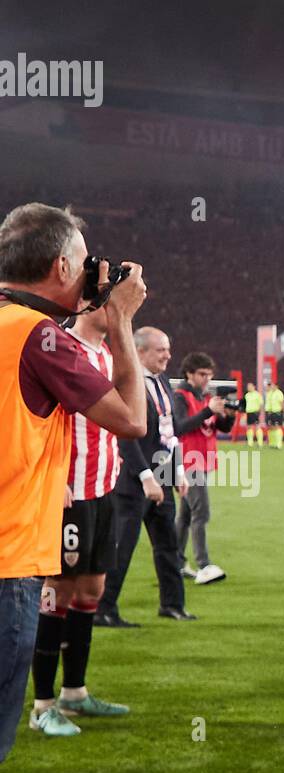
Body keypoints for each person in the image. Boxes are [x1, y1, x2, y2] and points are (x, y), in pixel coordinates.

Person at [0, 202, 146, 762]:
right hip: (11, 556)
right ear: (62, 267)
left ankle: (72, 692)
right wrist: (123, 323)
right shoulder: (39, 337)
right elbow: (131, 419)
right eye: (85, 262)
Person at [29, 303, 131, 735]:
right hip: (71, 489)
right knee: (58, 590)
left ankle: (75, 692)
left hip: (104, 488)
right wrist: (55, 478)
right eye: (117, 305)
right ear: (94, 306)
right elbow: (43, 417)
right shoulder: (61, 346)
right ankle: (42, 705)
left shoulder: (108, 354)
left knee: (92, 588)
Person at [99, 326, 192, 626]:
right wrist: (146, 477)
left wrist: (177, 470)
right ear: (140, 351)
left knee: (169, 546)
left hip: (162, 475)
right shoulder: (127, 382)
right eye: (160, 349)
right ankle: (104, 608)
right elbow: (125, 436)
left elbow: (169, 430)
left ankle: (173, 605)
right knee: (122, 547)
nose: (168, 354)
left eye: (167, 348)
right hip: (133, 482)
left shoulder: (162, 380)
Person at [173, 351, 231, 584]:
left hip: (203, 462)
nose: (207, 379)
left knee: (186, 516)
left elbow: (221, 428)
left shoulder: (207, 397)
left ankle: (175, 563)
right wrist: (209, 411)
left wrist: (229, 415)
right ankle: (204, 564)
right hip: (188, 462)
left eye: (209, 375)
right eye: (202, 374)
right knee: (201, 512)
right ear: (189, 373)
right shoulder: (180, 396)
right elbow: (179, 427)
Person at [263, 379, 284, 448]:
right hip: (271, 412)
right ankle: (273, 443)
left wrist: (283, 411)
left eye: (273, 385)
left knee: (277, 427)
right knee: (271, 427)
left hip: (277, 412)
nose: (272, 387)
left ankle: (279, 444)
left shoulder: (279, 393)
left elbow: (282, 403)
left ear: (276, 386)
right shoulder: (271, 393)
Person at [242, 381, 264, 446]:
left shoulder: (257, 394)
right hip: (248, 412)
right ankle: (250, 443)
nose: (248, 387)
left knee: (257, 426)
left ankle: (260, 443)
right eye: (248, 386)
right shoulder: (247, 395)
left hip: (255, 412)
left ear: (254, 387)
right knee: (249, 427)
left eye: (250, 386)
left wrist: (259, 412)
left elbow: (261, 404)